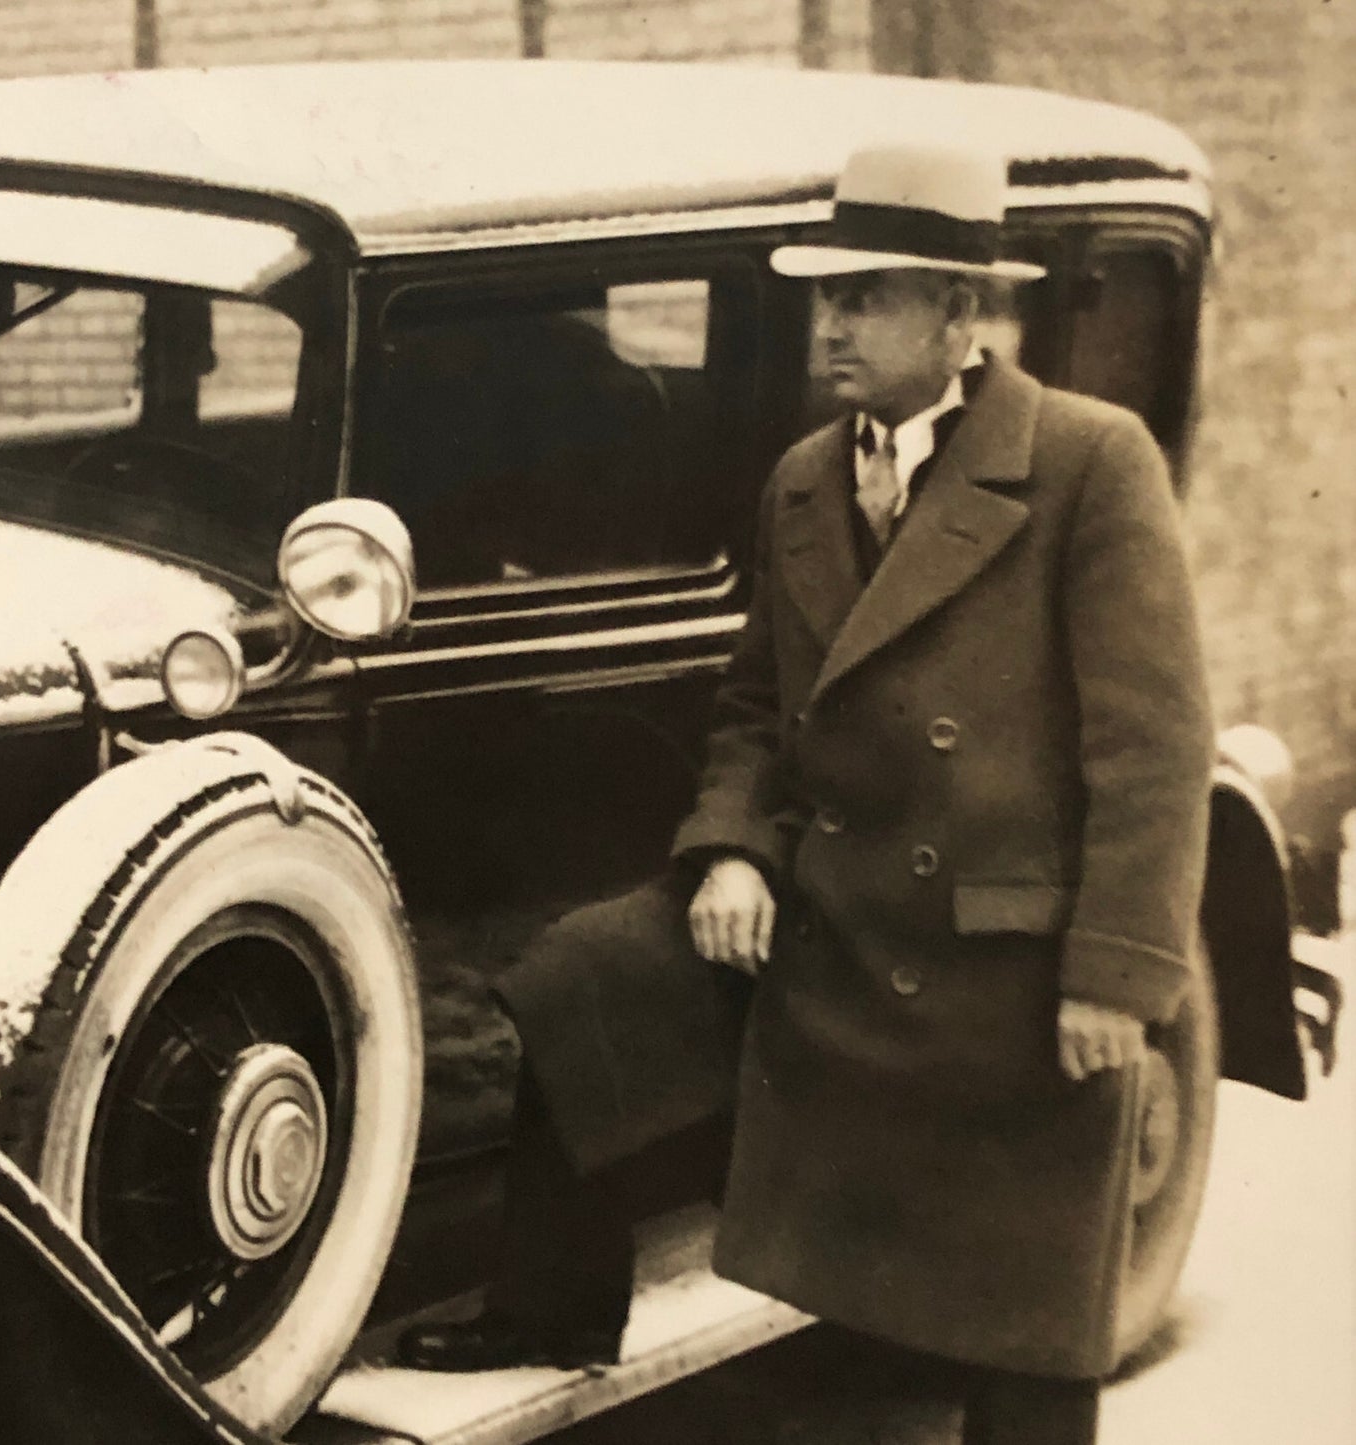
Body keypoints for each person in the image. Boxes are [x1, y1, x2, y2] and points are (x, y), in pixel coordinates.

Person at [399, 143, 1215, 1445]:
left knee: (1024, 1326)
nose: (831, 325)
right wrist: (732, 850)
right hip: (827, 912)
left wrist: (1115, 980)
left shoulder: (1086, 461)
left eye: (867, 296)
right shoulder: (803, 475)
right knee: (582, 978)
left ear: (957, 313)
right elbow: (752, 710)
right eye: (827, 296)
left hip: (998, 953)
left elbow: (1154, 752)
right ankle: (549, 1305)